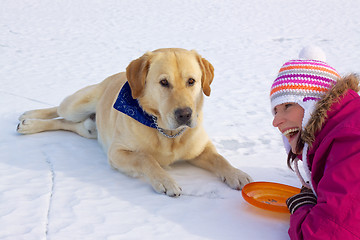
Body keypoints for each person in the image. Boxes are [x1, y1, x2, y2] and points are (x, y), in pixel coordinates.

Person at [270, 46, 360, 239]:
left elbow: (325, 234)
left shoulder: (352, 141)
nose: (276, 121)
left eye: (287, 106)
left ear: (315, 103)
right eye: (275, 111)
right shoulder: (340, 135)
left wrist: (303, 209)